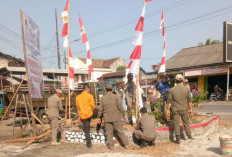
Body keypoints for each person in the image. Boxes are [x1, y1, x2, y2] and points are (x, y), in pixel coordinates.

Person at [97, 84, 129, 150]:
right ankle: (126, 144)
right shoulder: (116, 97)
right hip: (116, 117)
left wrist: (99, 117)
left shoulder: (103, 98)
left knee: (109, 132)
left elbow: (100, 110)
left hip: (107, 118)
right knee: (120, 131)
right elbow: (120, 107)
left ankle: (111, 146)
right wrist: (124, 115)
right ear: (112, 90)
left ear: (105, 90)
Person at [166, 74, 194, 144]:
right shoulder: (187, 88)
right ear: (182, 80)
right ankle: (189, 136)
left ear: (175, 81)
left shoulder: (172, 90)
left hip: (176, 109)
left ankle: (178, 138)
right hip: (184, 108)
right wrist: (191, 109)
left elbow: (169, 101)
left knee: (176, 124)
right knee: (186, 122)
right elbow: (189, 100)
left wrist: (168, 110)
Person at [76, 84, 98, 148]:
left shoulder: (78, 97)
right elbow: (93, 106)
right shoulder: (90, 96)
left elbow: (78, 108)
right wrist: (98, 108)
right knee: (100, 113)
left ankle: (89, 145)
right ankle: (99, 125)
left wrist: (79, 117)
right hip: (90, 114)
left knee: (87, 130)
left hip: (83, 116)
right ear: (88, 89)